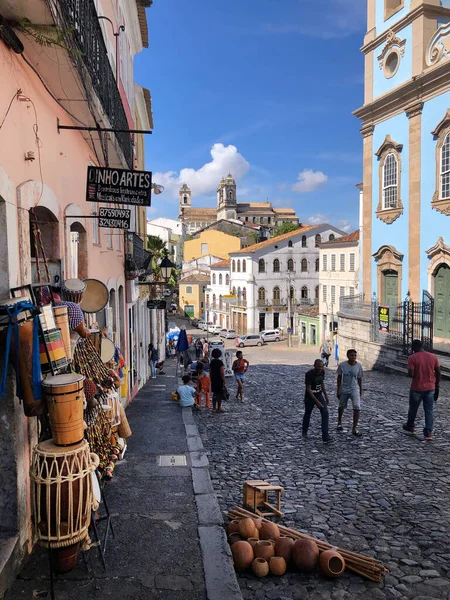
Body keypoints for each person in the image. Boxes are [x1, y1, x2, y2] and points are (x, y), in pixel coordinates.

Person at [403, 339, 440, 440]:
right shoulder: (433, 356)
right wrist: (437, 384)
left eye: (412, 348)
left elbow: (411, 374)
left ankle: (410, 427)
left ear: (414, 347)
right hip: (430, 387)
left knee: (413, 408)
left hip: (417, 388)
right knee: (429, 410)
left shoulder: (412, 358)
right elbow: (438, 371)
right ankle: (428, 433)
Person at [302, 359, 331, 443]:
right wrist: (316, 401)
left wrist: (325, 395)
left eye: (322, 366)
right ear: (314, 365)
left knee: (325, 412)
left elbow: (322, 383)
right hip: (310, 396)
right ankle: (304, 431)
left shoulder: (322, 372)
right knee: (308, 413)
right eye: (319, 366)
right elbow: (308, 389)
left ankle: (325, 436)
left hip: (319, 394)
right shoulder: (309, 374)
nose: (320, 368)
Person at [336, 349, 363, 436]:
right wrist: (338, 389)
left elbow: (359, 378)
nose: (353, 357)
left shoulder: (358, 366)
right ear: (348, 356)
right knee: (341, 407)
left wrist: (360, 389)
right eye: (352, 355)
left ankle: (354, 428)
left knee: (357, 407)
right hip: (344, 388)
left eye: (355, 355)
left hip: (354, 389)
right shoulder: (342, 365)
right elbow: (339, 377)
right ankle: (339, 422)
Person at [210, 348, 227, 413]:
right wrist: (224, 382)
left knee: (214, 393)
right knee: (220, 394)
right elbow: (222, 373)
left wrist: (211, 378)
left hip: (213, 379)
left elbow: (210, 371)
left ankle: (214, 407)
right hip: (219, 380)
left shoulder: (212, 362)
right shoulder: (220, 362)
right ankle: (219, 407)